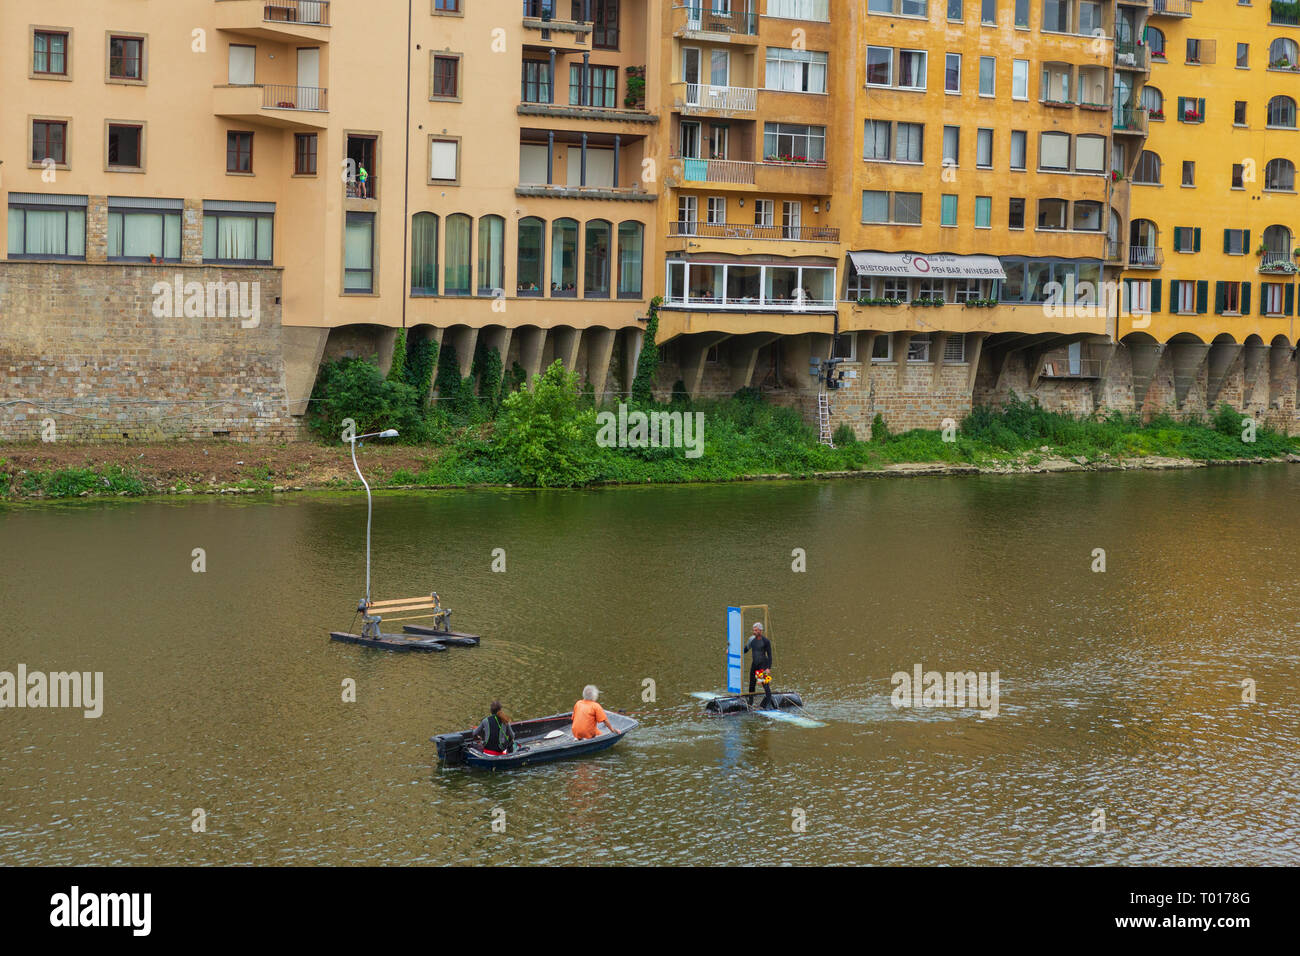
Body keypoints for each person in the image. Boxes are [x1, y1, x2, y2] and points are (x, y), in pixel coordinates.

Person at [745, 622, 776, 709]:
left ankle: (768, 704)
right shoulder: (751, 640)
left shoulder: (766, 641)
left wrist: (768, 668)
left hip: (763, 665)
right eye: (753, 630)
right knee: (751, 685)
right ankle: (750, 703)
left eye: (756, 630)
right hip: (754, 665)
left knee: (765, 684)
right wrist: (732, 651)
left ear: (760, 631)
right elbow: (745, 650)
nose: (754, 632)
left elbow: (769, 656)